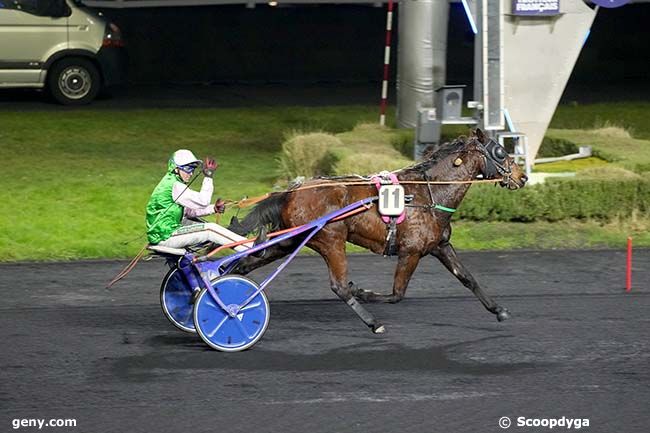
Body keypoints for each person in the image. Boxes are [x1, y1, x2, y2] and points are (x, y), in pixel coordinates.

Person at [146, 149, 254, 252]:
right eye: (188, 169)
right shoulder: (175, 186)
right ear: (176, 168)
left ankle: (244, 247)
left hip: (163, 233)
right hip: (165, 236)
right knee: (210, 229)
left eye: (193, 169)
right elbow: (203, 201)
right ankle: (251, 247)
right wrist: (208, 177)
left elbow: (188, 212)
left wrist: (213, 208)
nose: (191, 173)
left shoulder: (170, 182)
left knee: (203, 226)